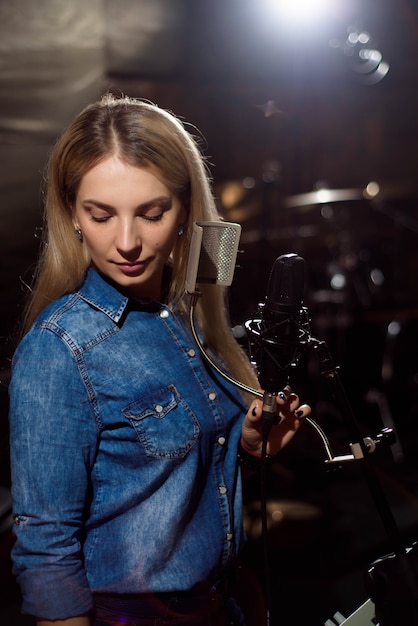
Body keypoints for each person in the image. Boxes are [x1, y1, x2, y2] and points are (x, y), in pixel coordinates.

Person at [8, 93, 310, 626]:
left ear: (186, 211)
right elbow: (46, 547)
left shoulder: (188, 313)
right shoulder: (59, 348)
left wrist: (246, 440)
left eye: (151, 213)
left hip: (222, 604)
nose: (127, 242)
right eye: (100, 215)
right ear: (73, 215)